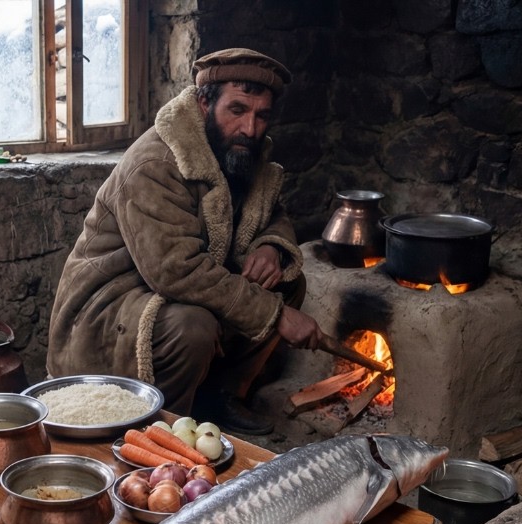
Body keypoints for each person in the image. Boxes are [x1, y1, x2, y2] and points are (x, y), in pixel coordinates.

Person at [46, 48, 323, 435]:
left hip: (176, 289)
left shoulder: (239, 150)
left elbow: (271, 210)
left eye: (262, 115)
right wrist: (274, 315)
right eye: (237, 110)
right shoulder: (155, 163)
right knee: (194, 326)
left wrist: (272, 246)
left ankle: (220, 398)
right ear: (204, 103)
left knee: (286, 283)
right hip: (110, 307)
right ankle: (164, 428)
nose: (250, 128)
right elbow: (177, 271)